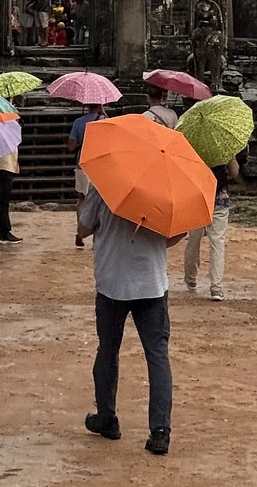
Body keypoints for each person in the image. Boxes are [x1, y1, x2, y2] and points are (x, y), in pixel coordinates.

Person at [78, 184, 182, 456]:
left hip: (112, 281)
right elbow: (173, 236)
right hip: (151, 282)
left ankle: (107, 416)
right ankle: (160, 431)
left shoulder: (104, 185)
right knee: (157, 355)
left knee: (108, 350)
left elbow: (83, 229)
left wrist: (84, 204)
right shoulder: (164, 188)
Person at [184, 155, 239, 301]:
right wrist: (231, 158)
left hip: (197, 198)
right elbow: (235, 172)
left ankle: (190, 278)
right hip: (219, 198)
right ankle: (216, 287)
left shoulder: (193, 148)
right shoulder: (223, 150)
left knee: (193, 240)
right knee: (217, 243)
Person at [67, 104, 108, 248]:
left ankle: (80, 231)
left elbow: (71, 145)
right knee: (102, 200)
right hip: (100, 165)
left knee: (81, 199)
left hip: (82, 163)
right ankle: (97, 237)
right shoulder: (104, 121)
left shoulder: (78, 122)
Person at [0, 148, 22, 244]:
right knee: (3, 201)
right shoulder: (6, 141)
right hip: (5, 167)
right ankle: (4, 231)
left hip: (0, 166)